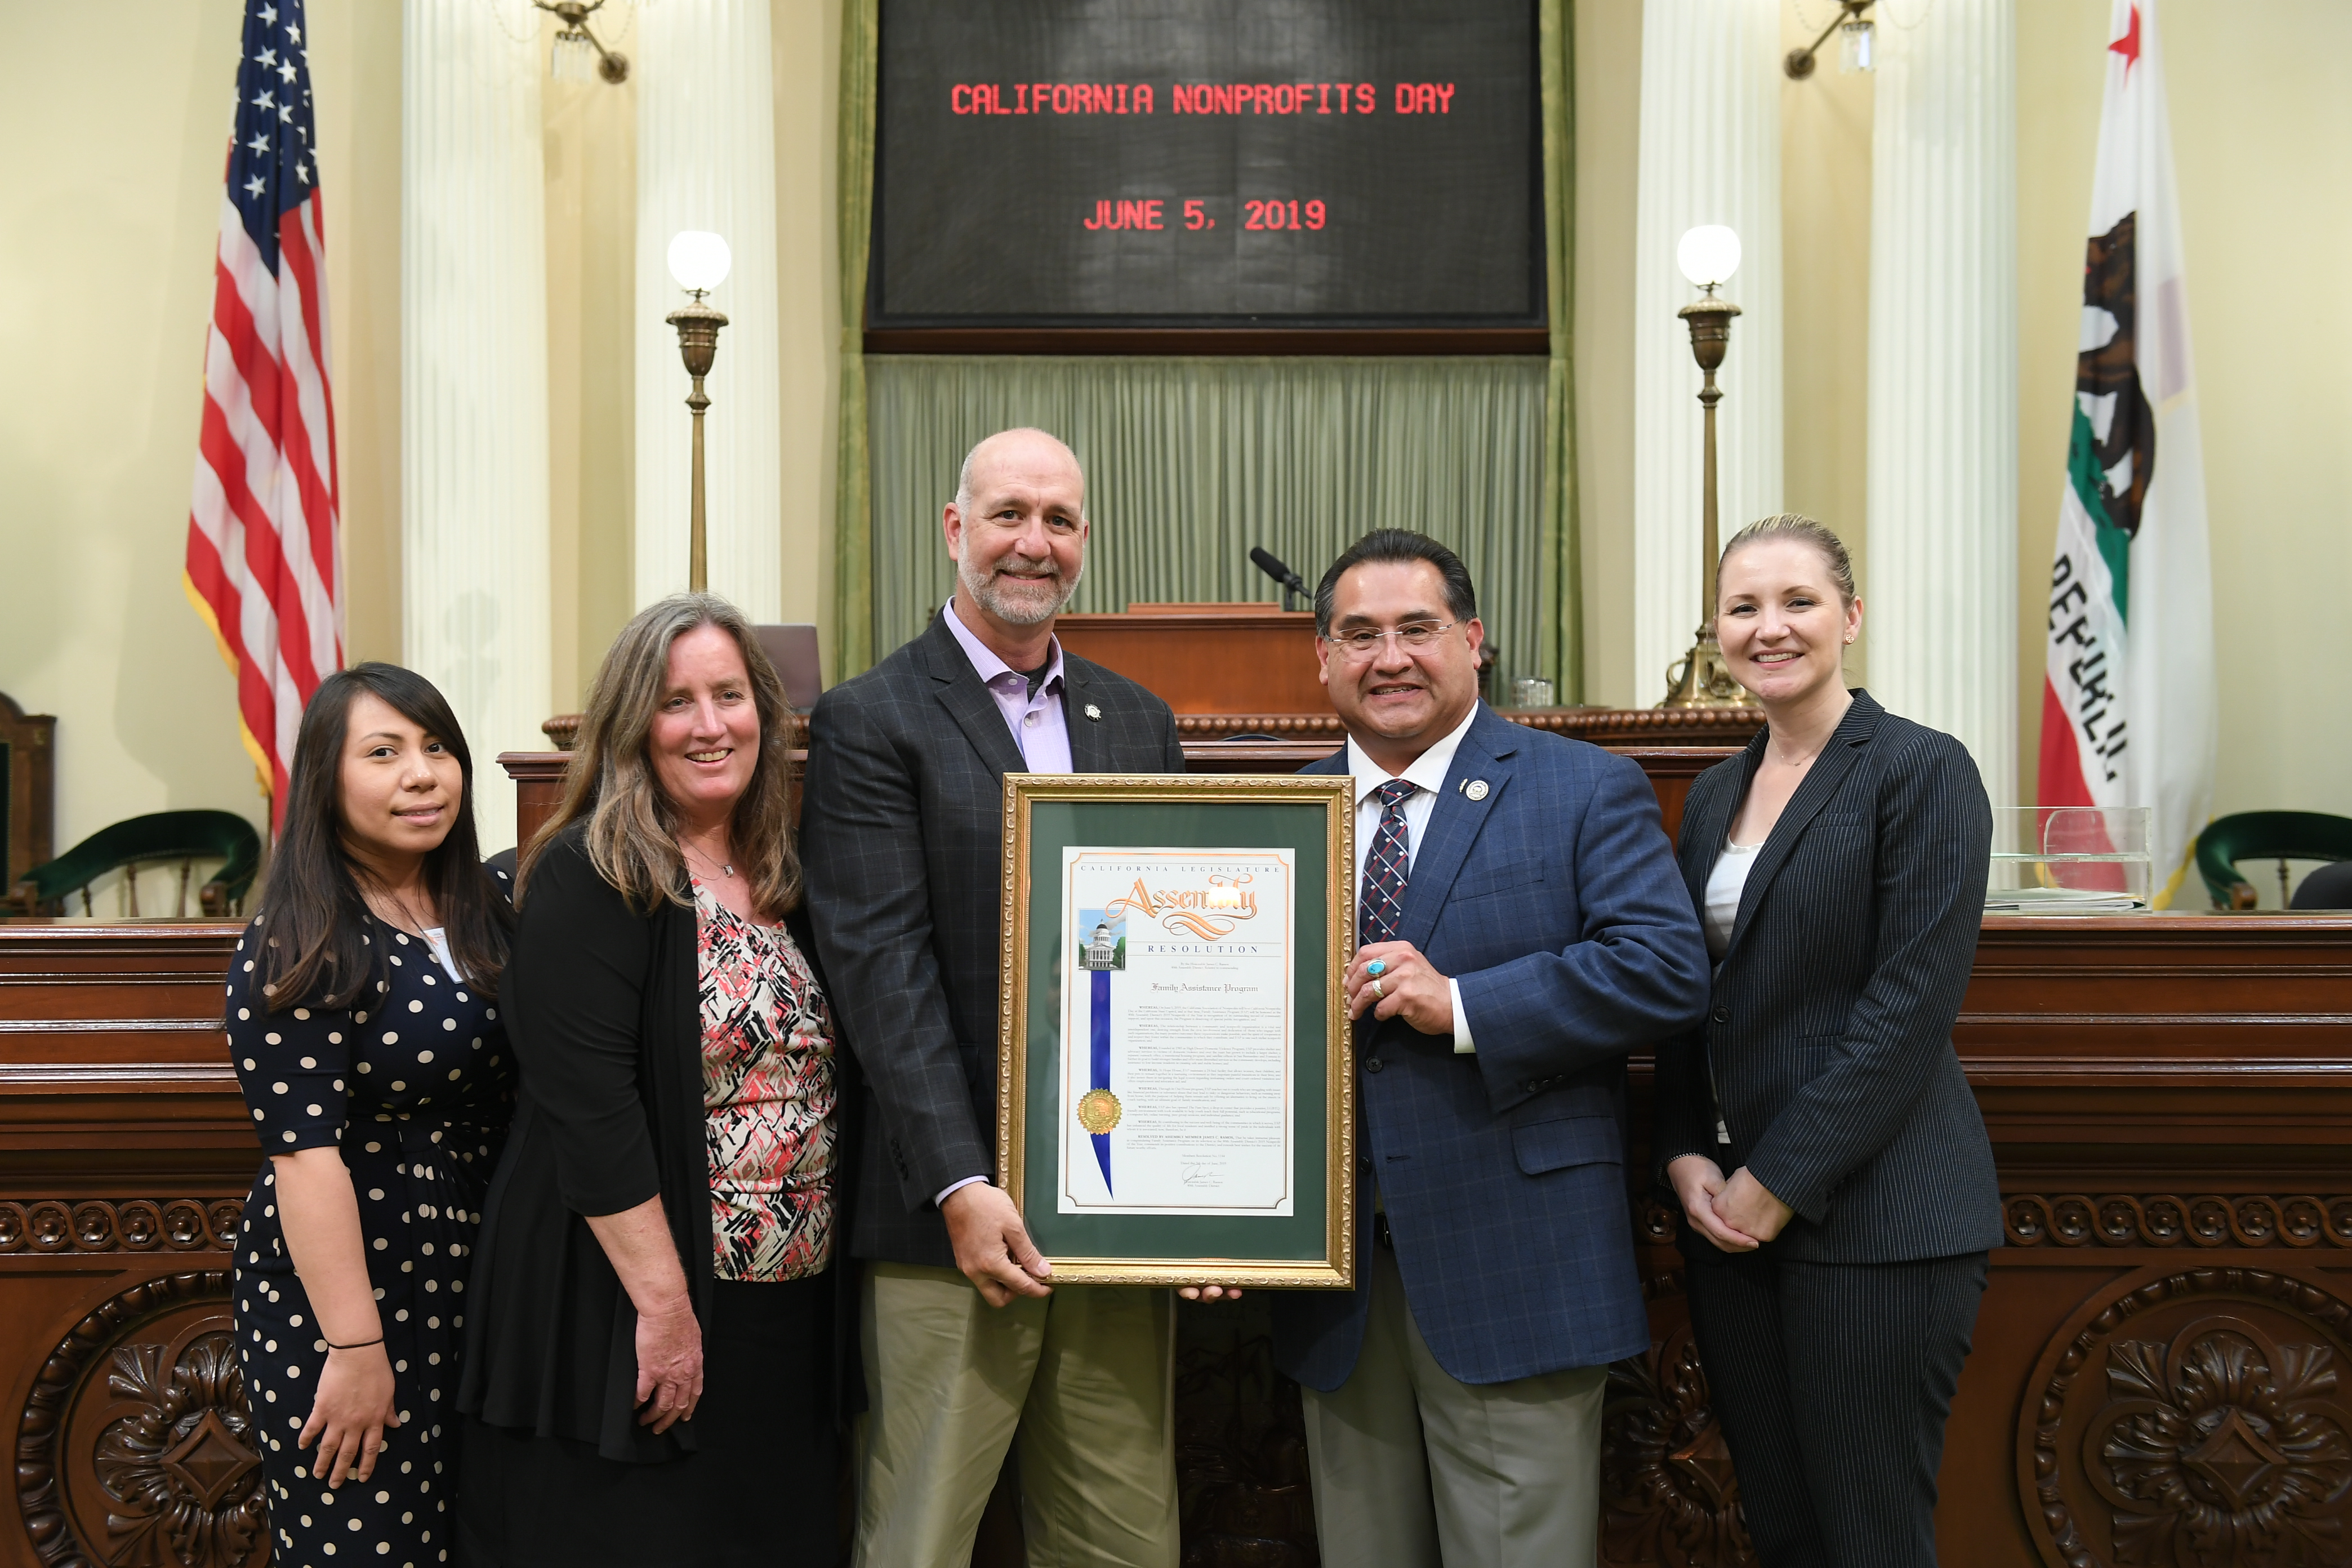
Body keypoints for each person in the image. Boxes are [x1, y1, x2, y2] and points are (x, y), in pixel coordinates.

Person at [802, 427, 1226, 1568]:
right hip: (951, 1222)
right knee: (921, 1539)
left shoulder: (1137, 720)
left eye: (1059, 520)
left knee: (1124, 1542)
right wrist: (959, 1178)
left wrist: (1207, 1187)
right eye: (1007, 514)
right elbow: (882, 972)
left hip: (1117, 1218)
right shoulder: (872, 719)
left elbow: (1175, 972)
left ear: (1085, 540)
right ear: (955, 531)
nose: (1032, 543)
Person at [1269, 529, 1711, 1568]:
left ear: (1474, 641)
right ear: (1322, 659)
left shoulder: (1579, 787)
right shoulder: (1279, 813)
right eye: (1360, 634)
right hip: (1337, 1288)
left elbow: (1665, 970)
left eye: (1417, 630)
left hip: (1517, 1266)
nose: (1390, 658)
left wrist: (1465, 1002)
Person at [455, 594, 856, 1567]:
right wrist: (665, 1314)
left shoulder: (782, 870)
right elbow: (589, 1109)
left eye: (730, 695)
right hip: (630, 1307)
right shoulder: (592, 874)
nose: (710, 725)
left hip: (781, 1312)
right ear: (634, 724)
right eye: (678, 702)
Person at [1651, 514, 2001, 1567]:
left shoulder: (1921, 771)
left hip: (1878, 1217)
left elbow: (1907, 1012)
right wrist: (1684, 1152)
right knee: (1787, 1529)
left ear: (1850, 616)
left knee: (1870, 1538)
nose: (1771, 628)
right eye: (1743, 607)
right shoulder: (1714, 793)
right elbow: (1686, 993)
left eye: (1798, 602)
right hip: (1733, 1222)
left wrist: (1781, 1179)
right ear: (1716, 632)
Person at [226, 663, 516, 1566]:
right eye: (384, 753)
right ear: (326, 778)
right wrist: (355, 1348)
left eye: (437, 748)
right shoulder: (301, 937)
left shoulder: (491, 906)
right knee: (367, 1543)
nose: (422, 775)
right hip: (352, 1292)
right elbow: (305, 1157)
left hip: (484, 1275)